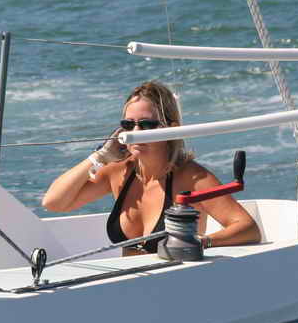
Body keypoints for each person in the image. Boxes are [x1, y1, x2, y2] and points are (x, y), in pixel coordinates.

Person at [42, 81, 261, 255]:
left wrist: (202, 242)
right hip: (127, 284)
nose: (136, 132)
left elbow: (248, 228)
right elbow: (54, 203)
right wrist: (99, 157)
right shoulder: (118, 172)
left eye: (146, 124)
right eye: (128, 125)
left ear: (171, 129)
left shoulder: (192, 178)